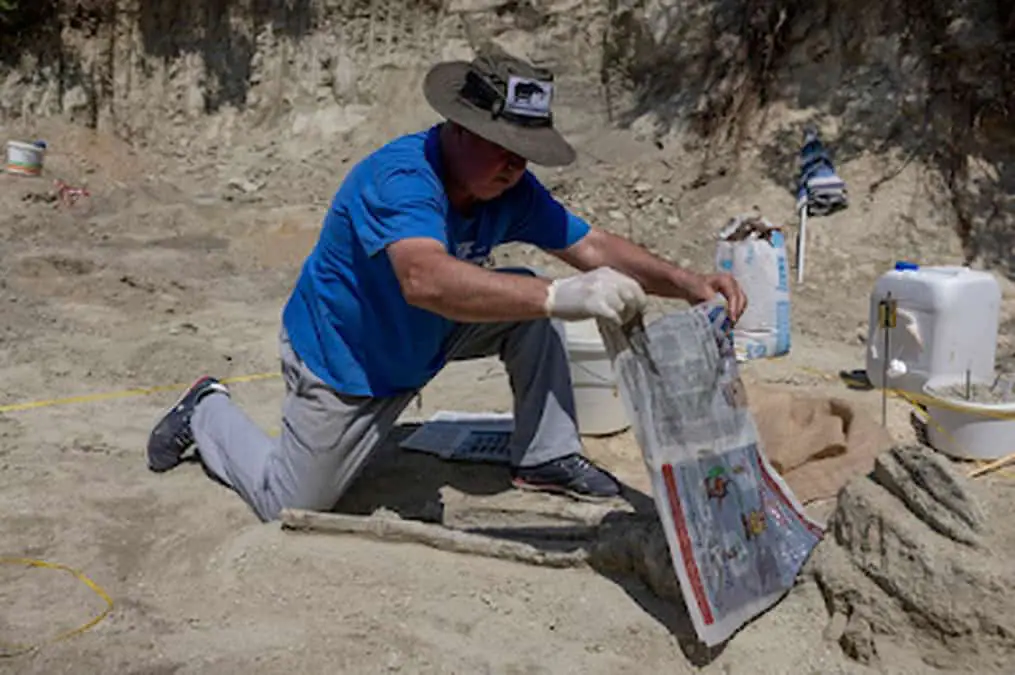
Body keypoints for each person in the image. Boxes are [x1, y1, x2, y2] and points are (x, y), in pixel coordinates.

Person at [145, 51, 747, 522]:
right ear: (459, 128)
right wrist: (560, 297)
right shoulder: (402, 178)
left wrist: (689, 282)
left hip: (429, 337)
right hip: (347, 363)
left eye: (527, 153)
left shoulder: (508, 187)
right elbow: (423, 278)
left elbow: (591, 247)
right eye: (505, 147)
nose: (516, 165)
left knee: (525, 306)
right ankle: (207, 409)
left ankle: (545, 455)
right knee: (291, 503)